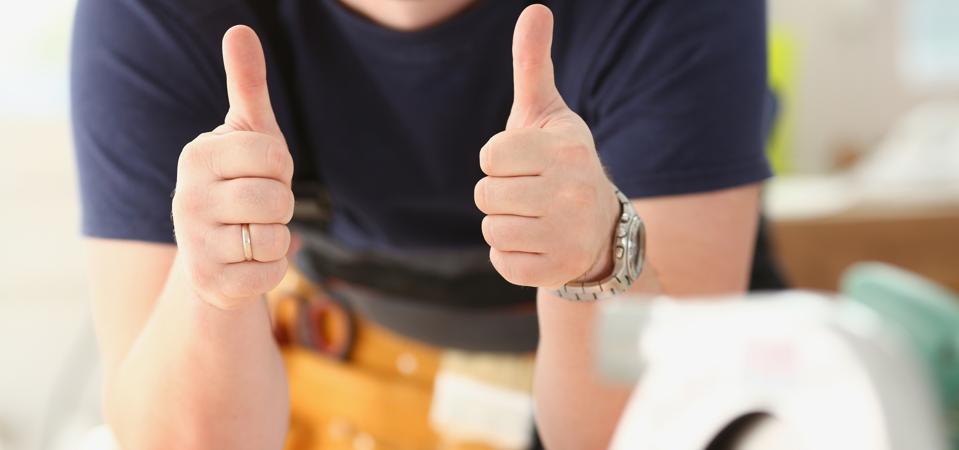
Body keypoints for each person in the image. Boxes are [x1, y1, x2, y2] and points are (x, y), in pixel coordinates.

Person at [71, 0, 772, 449]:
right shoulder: (151, 16)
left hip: (636, 323)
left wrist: (596, 258)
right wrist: (209, 293)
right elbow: (176, 440)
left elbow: (656, 428)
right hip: (347, 341)